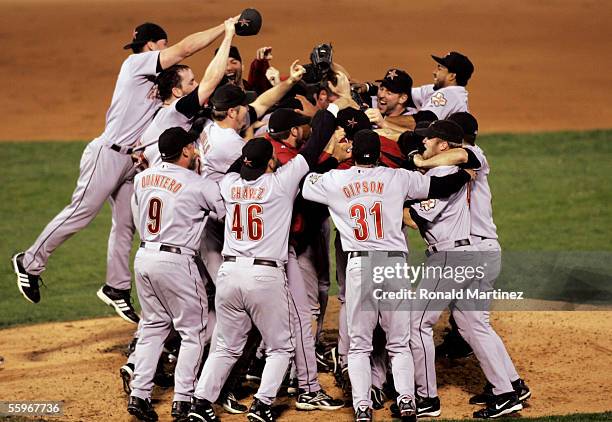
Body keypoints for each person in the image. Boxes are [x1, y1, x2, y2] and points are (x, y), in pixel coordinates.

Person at [11, 18, 236, 325]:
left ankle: (116, 286)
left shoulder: (159, 93)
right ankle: (29, 261)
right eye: (160, 47)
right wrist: (224, 30)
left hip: (130, 161)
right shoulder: (136, 65)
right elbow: (183, 50)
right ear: (154, 47)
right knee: (81, 212)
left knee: (125, 223)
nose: (163, 52)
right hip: (108, 153)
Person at [187, 72, 354, 422]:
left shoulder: (231, 184)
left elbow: (235, 165)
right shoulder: (279, 184)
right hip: (265, 276)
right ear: (268, 163)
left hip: (229, 274)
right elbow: (313, 147)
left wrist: (252, 150)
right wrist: (330, 108)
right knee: (281, 347)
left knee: (226, 346)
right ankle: (263, 405)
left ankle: (201, 403)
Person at [302, 128, 474, 422]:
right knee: (399, 341)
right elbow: (439, 188)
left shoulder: (335, 180)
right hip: (394, 265)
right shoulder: (397, 177)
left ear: (354, 153)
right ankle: (407, 401)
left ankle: (362, 407)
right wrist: (465, 175)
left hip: (359, 267)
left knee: (359, 345)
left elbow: (305, 182)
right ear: (379, 156)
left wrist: (333, 158)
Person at [412, 112, 531, 413]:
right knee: (474, 324)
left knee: (440, 323)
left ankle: (430, 398)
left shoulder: (470, 157)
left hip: (472, 248)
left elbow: (460, 154)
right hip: (476, 249)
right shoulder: (456, 169)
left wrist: (420, 163)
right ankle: (510, 386)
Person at [126, 127, 225, 422]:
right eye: (192, 148)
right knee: (193, 332)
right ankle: (183, 400)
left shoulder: (143, 178)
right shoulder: (197, 184)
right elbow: (226, 216)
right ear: (184, 151)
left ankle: (139, 394)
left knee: (153, 326)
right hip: (176, 262)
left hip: (144, 257)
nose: (195, 151)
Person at [410, 51, 474, 119]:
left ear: (452, 76)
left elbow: (424, 118)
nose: (434, 72)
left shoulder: (450, 94)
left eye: (440, 69)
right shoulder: (445, 90)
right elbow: (406, 93)